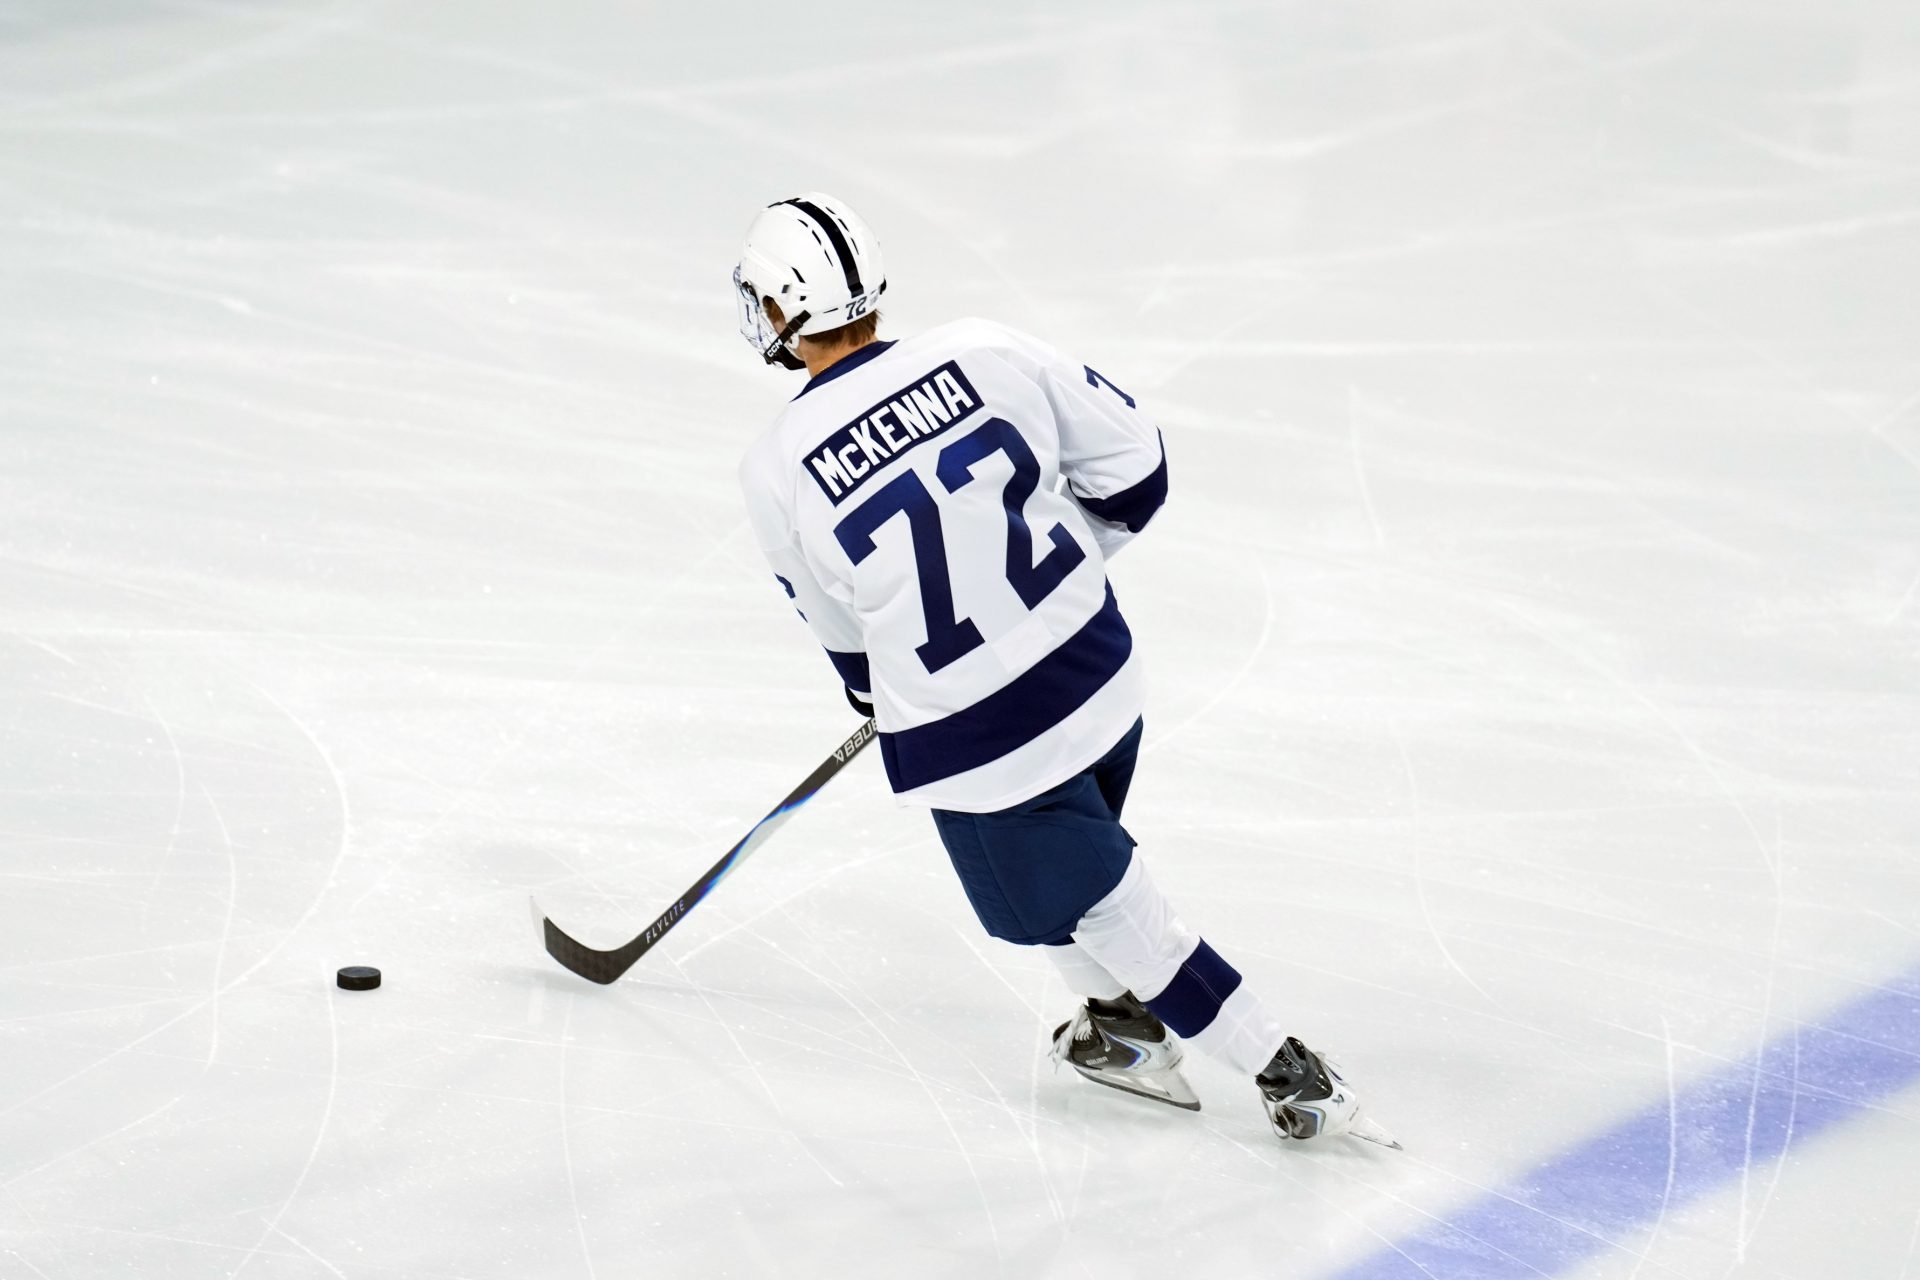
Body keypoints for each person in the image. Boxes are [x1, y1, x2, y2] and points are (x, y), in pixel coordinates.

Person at [731, 192, 1393, 1148]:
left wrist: (895, 685)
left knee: (1105, 908)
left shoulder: (777, 466)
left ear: (787, 312)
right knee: (1045, 893)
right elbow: (1137, 472)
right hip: (1100, 679)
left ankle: (1288, 1070)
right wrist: (1044, 580)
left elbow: (846, 644)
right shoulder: (983, 347)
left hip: (985, 745)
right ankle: (1121, 1032)